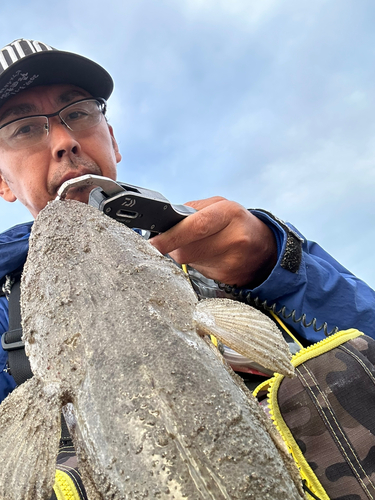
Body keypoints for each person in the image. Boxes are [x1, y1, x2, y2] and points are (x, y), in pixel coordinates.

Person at [0, 38, 374, 498]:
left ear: (112, 139)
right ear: (2, 181)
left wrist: (274, 268)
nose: (64, 141)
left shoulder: (240, 240)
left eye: (78, 112)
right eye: (23, 129)